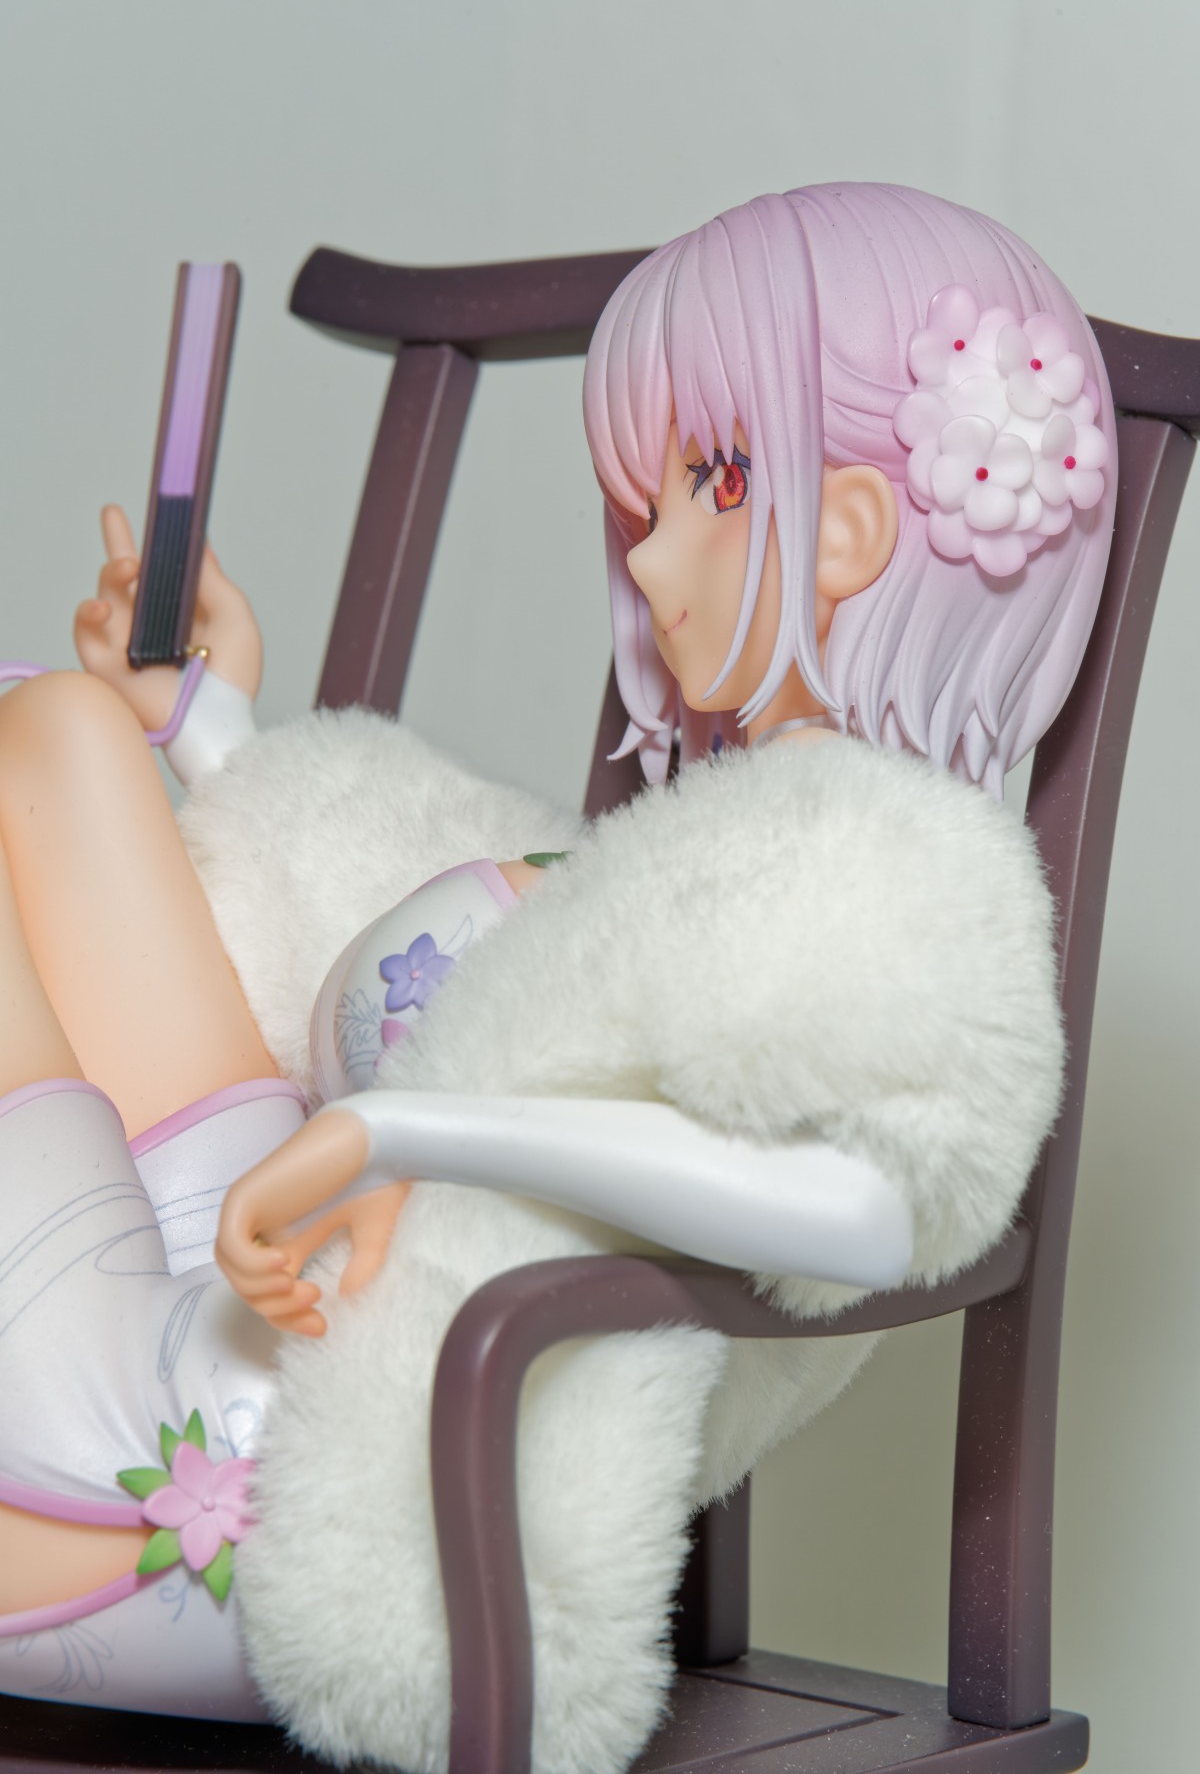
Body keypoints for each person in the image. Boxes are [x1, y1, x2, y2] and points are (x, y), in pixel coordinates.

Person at [0, 182, 1112, 1724]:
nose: (649, 563)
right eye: (642, 504)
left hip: (325, 1452)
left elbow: (868, 1211)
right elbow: (402, 908)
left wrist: (402, 1133)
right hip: (253, 1271)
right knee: (60, 728)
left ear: (853, 528)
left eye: (711, 486)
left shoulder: (892, 875)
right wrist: (210, 729)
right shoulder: (679, 863)